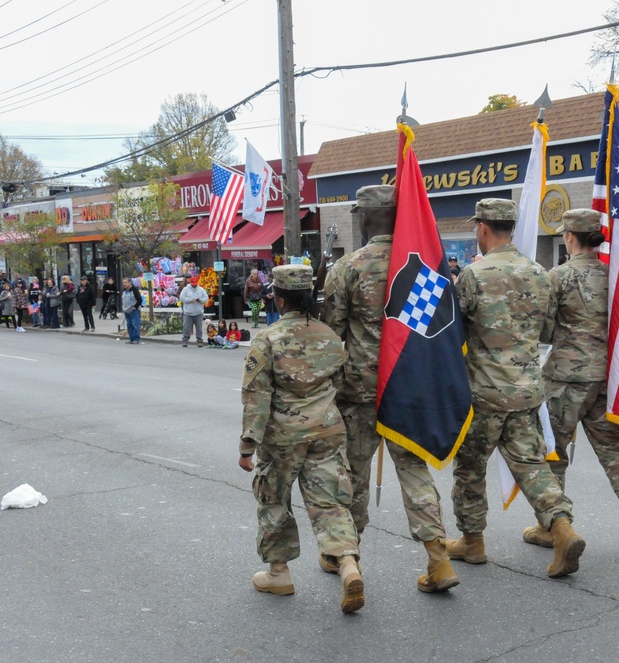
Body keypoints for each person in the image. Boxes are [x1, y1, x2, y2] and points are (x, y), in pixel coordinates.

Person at [321, 184, 460, 593]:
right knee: (414, 470)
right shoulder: (424, 269)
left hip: (361, 390)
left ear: (364, 217)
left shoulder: (347, 268)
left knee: (353, 476)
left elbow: (334, 336)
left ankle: (347, 559)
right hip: (407, 385)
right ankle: (439, 557)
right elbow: (435, 331)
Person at [519, 209, 619, 564]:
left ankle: (553, 525)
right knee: (615, 453)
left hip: (567, 377)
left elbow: (544, 331)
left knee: (552, 450)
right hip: (609, 375)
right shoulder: (618, 275)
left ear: (570, 237)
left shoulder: (559, 276)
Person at [448, 198, 583, 578]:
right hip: (526, 390)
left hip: (484, 394)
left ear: (483, 228)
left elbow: (455, 332)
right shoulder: (541, 273)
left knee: (470, 468)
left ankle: (472, 542)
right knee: (532, 465)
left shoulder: (473, 276)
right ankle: (562, 527)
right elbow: (545, 332)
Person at [239, 264, 364, 613]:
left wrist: (247, 445)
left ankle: (279, 573)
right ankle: (348, 564)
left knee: (274, 498)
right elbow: (341, 384)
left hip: (283, 435)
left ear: (278, 299)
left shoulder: (269, 338)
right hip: (327, 429)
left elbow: (256, 396)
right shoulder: (329, 335)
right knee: (330, 502)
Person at [179, 275, 208, 347]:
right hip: (188, 312)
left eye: (195, 284)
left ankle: (199, 340)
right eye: (193, 284)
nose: (194, 286)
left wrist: (200, 300)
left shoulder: (201, 290)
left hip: (199, 312)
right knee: (186, 327)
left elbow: (206, 298)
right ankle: (185, 340)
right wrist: (189, 300)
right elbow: (182, 298)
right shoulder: (185, 289)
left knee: (199, 327)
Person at [120, 278, 142, 344]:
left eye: (126, 282)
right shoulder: (124, 291)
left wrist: (134, 307)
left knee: (135, 324)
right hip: (126, 310)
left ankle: (136, 339)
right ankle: (131, 339)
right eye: (123, 282)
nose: (124, 284)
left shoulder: (134, 290)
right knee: (129, 325)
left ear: (130, 283)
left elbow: (139, 300)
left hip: (134, 311)